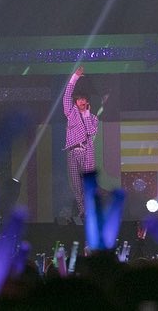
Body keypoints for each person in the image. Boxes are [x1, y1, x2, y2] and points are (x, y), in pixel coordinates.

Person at [63, 66, 98, 220]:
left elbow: (91, 131)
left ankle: (90, 210)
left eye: (83, 99)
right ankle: (82, 210)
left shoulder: (93, 118)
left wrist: (87, 114)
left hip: (86, 152)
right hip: (72, 152)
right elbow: (66, 96)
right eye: (79, 99)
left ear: (87, 101)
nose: (81, 101)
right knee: (76, 185)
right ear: (75, 102)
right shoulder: (71, 113)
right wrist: (75, 77)